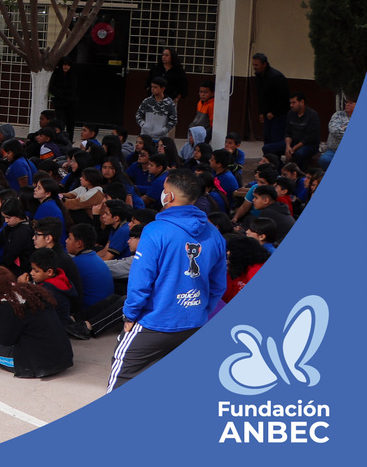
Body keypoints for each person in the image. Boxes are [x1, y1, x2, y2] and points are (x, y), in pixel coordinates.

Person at [107, 168, 226, 391]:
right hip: (195, 321)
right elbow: (218, 285)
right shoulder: (214, 233)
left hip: (155, 320)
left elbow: (141, 280)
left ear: (169, 196)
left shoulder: (155, 230)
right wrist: (200, 310)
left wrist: (130, 314)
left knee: (122, 374)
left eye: (164, 189)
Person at [0, 266, 74, 378]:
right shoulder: (29, 291)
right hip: (63, 356)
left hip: (37, 364)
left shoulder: (8, 303)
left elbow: (5, 339)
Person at [252, 52, 290, 151]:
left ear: (264, 64)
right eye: (253, 65)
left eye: (257, 65)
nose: (254, 67)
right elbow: (260, 96)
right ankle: (268, 158)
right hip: (267, 113)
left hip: (279, 115)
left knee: (276, 139)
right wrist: (261, 112)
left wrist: (274, 112)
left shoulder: (276, 77)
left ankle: (275, 158)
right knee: (267, 138)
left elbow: (284, 98)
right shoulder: (258, 76)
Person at [270, 92, 321, 164]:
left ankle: (298, 170)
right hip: (293, 143)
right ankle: (279, 167)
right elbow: (288, 133)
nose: (291, 105)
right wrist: (288, 147)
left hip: (308, 145)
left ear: (302, 102)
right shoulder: (290, 113)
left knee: (298, 154)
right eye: (290, 103)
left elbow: (310, 137)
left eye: (294, 102)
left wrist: (293, 149)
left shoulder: (312, 115)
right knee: (268, 148)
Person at [48, 57, 79, 141]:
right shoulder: (56, 74)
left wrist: (61, 93)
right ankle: (59, 139)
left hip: (71, 103)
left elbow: (72, 89)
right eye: (65, 64)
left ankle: (69, 140)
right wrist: (60, 94)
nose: (66, 67)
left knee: (70, 123)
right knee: (60, 122)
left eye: (68, 65)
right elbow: (52, 87)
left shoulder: (72, 75)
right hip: (59, 103)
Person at [321, 95, 354, 170]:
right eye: (347, 102)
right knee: (324, 160)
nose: (347, 104)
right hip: (334, 150)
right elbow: (334, 130)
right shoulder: (338, 115)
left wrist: (344, 128)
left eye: (351, 103)